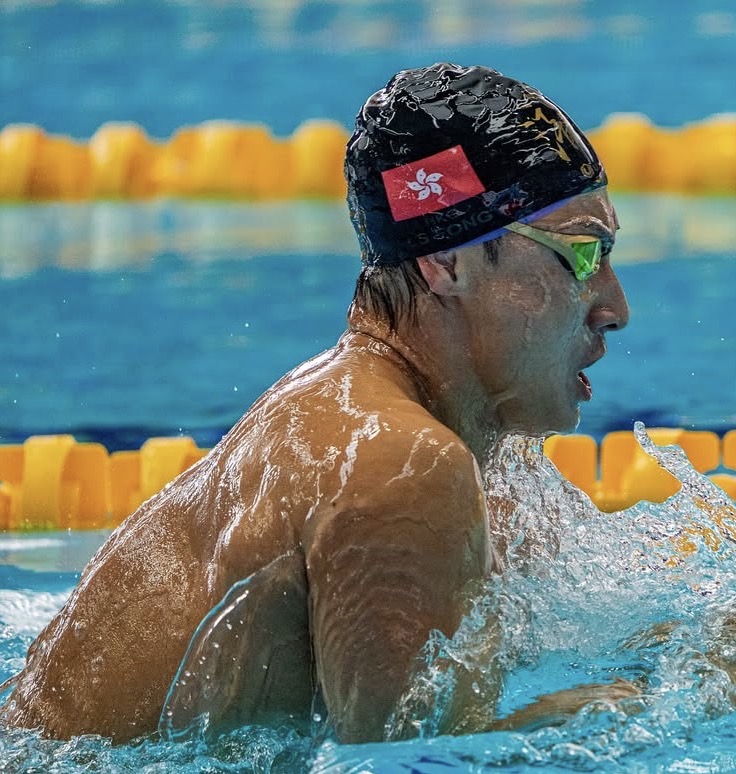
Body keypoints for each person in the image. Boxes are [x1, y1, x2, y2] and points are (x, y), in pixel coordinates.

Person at [0, 63, 631, 744]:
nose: (614, 308)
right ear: (447, 262)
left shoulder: (383, 429)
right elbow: (413, 763)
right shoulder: (398, 464)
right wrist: (639, 705)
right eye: (582, 255)